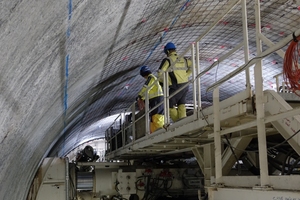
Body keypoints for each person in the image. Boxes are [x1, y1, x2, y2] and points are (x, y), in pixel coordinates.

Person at [157, 42, 192, 122]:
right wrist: (186, 75)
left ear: (168, 51)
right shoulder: (183, 58)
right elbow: (193, 66)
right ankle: (184, 121)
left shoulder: (168, 60)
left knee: (169, 105)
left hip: (175, 86)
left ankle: (177, 122)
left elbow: (160, 72)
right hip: (185, 85)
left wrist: (164, 82)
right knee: (181, 104)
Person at [137, 66, 164, 133]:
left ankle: (161, 132)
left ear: (143, 74)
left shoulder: (151, 78)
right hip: (155, 100)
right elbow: (148, 90)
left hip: (157, 100)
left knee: (157, 117)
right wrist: (143, 98)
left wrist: (140, 96)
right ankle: (154, 133)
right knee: (153, 118)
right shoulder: (153, 78)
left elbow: (146, 87)